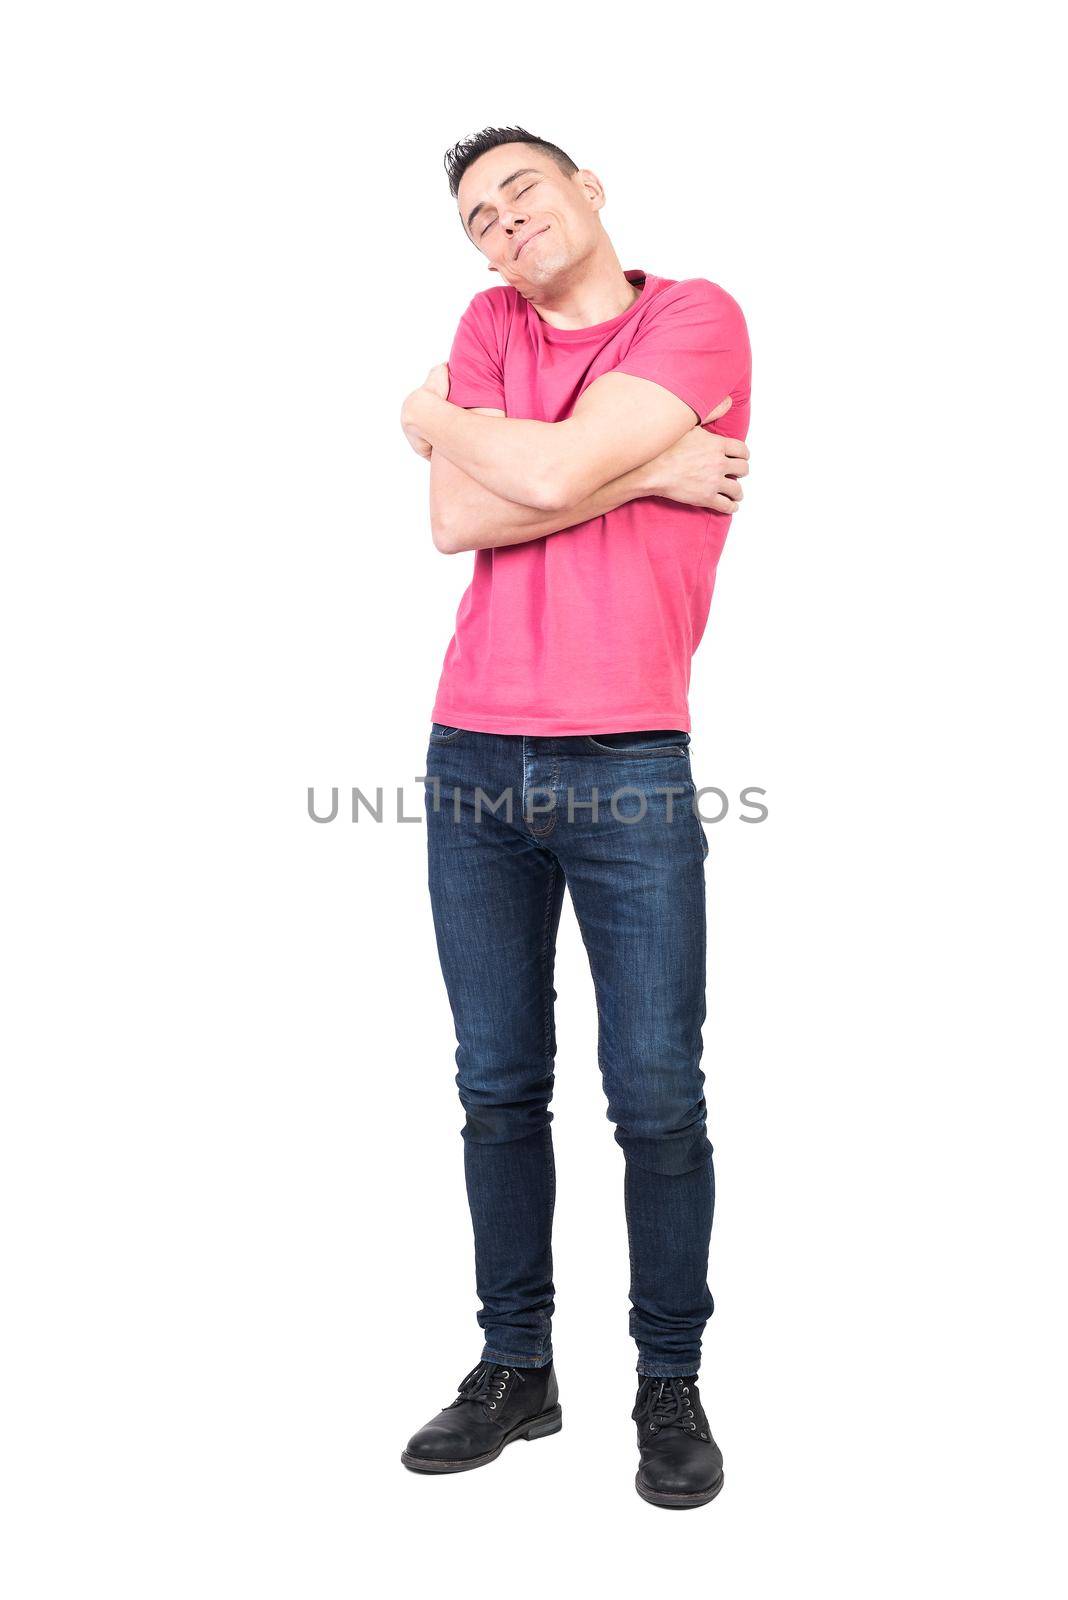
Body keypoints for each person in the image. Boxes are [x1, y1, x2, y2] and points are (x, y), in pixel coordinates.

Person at [398, 126, 751, 1508]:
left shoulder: (695, 317)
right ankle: (517, 1369)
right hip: (472, 749)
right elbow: (450, 519)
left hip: (629, 759)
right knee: (498, 1086)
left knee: (656, 1094)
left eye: (520, 194)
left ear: (588, 191)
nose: (502, 229)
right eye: (479, 219)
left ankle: (670, 1381)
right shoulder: (490, 323)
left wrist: (433, 417)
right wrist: (651, 471)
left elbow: (526, 484)